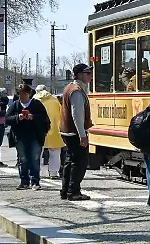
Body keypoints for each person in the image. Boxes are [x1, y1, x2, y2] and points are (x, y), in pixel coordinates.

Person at [4, 84, 49, 190]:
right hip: (20, 137)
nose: (22, 96)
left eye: (24, 94)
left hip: (34, 136)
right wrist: (17, 117)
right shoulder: (15, 105)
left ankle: (35, 181)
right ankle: (24, 181)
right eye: (20, 94)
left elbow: (44, 119)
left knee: (34, 158)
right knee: (22, 159)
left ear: (29, 94)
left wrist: (32, 117)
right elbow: (7, 119)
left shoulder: (36, 104)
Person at [60, 63, 93, 201]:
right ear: (79, 74)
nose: (90, 76)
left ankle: (65, 189)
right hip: (74, 132)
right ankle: (73, 191)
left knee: (70, 161)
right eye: (88, 73)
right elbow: (77, 115)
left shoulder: (69, 88)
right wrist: (82, 135)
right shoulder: (77, 90)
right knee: (79, 163)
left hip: (67, 132)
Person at [34, 85, 64, 179]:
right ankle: (53, 173)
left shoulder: (34, 100)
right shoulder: (54, 100)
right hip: (54, 129)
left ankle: (36, 173)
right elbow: (62, 113)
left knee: (36, 153)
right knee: (55, 152)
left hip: (38, 130)